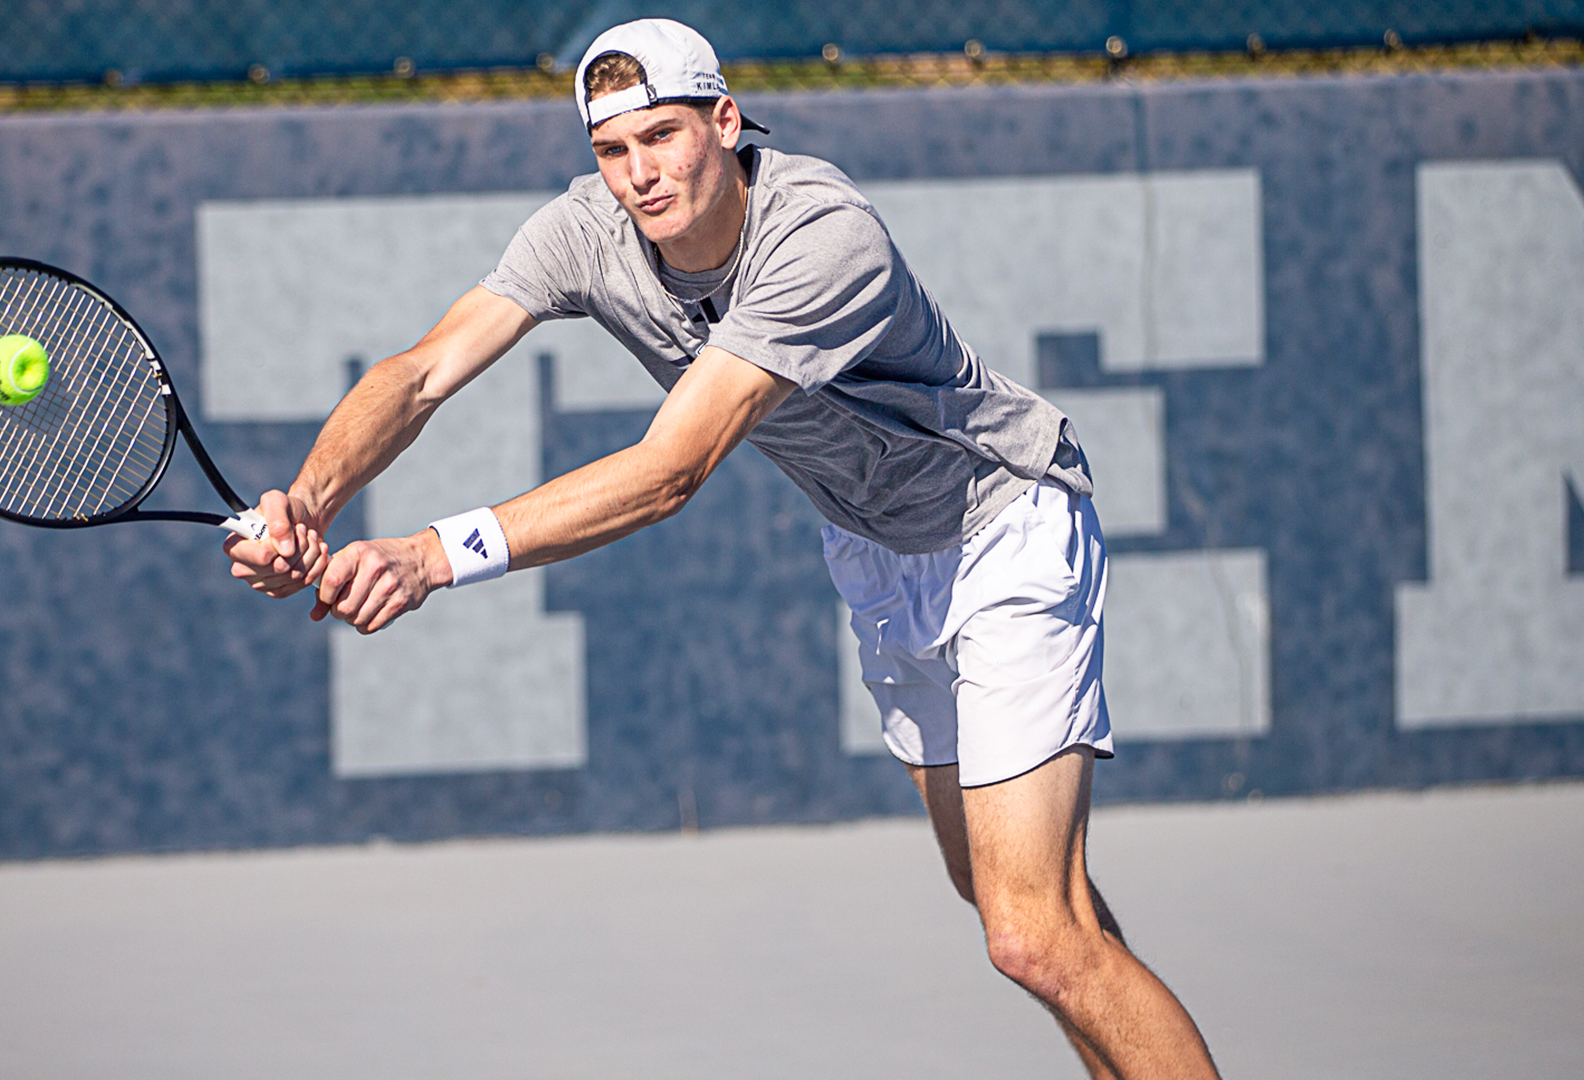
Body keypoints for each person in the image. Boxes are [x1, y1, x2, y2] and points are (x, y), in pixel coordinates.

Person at [226, 18, 1219, 1078]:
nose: (641, 175)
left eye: (663, 137)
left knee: (1031, 933)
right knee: (1012, 900)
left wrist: (431, 555)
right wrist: (312, 498)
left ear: (726, 121)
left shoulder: (821, 234)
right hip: (877, 554)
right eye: (613, 152)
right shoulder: (584, 230)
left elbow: (672, 470)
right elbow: (423, 372)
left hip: (1004, 526)